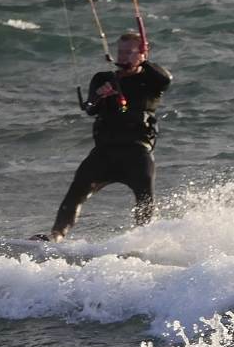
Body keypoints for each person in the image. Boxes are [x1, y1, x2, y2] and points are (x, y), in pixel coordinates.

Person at [33, 30, 172, 241]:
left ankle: (142, 240)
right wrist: (99, 95)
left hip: (137, 151)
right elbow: (89, 108)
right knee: (76, 191)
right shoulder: (103, 79)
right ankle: (56, 236)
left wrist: (144, 62)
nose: (123, 56)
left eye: (129, 52)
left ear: (142, 53)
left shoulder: (150, 80)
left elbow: (166, 79)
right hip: (105, 151)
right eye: (121, 52)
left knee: (145, 197)